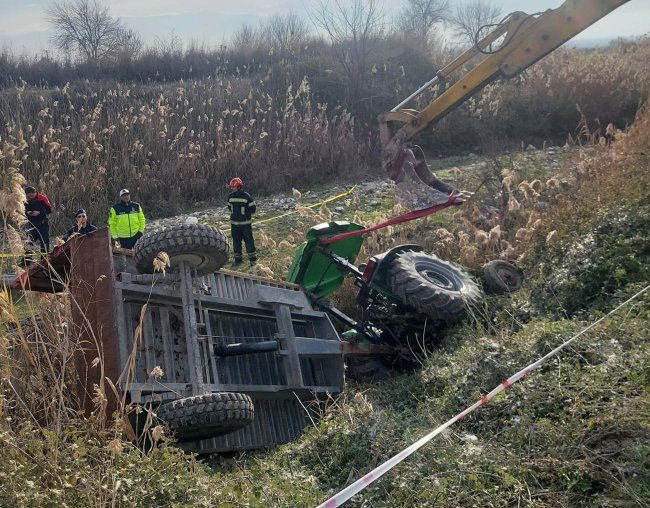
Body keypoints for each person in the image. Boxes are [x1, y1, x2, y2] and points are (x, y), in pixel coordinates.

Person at [227, 177, 257, 265]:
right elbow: (229, 207)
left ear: (239, 187)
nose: (232, 189)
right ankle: (238, 260)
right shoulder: (230, 197)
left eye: (233, 187)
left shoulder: (247, 197)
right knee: (236, 242)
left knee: (249, 241)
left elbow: (253, 209)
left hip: (245, 225)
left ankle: (252, 259)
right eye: (231, 187)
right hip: (234, 225)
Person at [24, 185, 52, 253]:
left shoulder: (43, 198)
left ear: (35, 192)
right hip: (32, 224)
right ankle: (26, 262)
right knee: (29, 243)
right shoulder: (25, 199)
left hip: (43, 224)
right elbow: (22, 210)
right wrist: (27, 212)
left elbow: (49, 210)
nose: (31, 197)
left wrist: (39, 212)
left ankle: (45, 262)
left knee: (44, 243)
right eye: (29, 196)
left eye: (32, 195)